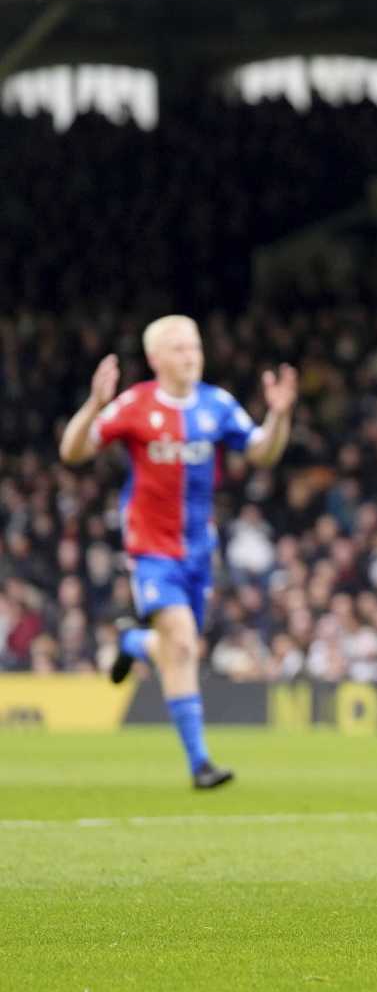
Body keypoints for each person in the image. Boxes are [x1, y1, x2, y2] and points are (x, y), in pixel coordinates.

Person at [57, 315, 296, 789]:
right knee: (183, 643)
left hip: (199, 551)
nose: (192, 356)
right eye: (181, 348)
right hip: (150, 548)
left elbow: (262, 452)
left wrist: (280, 415)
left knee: (179, 648)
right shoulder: (135, 404)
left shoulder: (217, 404)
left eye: (196, 347)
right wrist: (94, 405)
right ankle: (200, 763)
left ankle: (130, 643)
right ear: (156, 358)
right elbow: (73, 452)